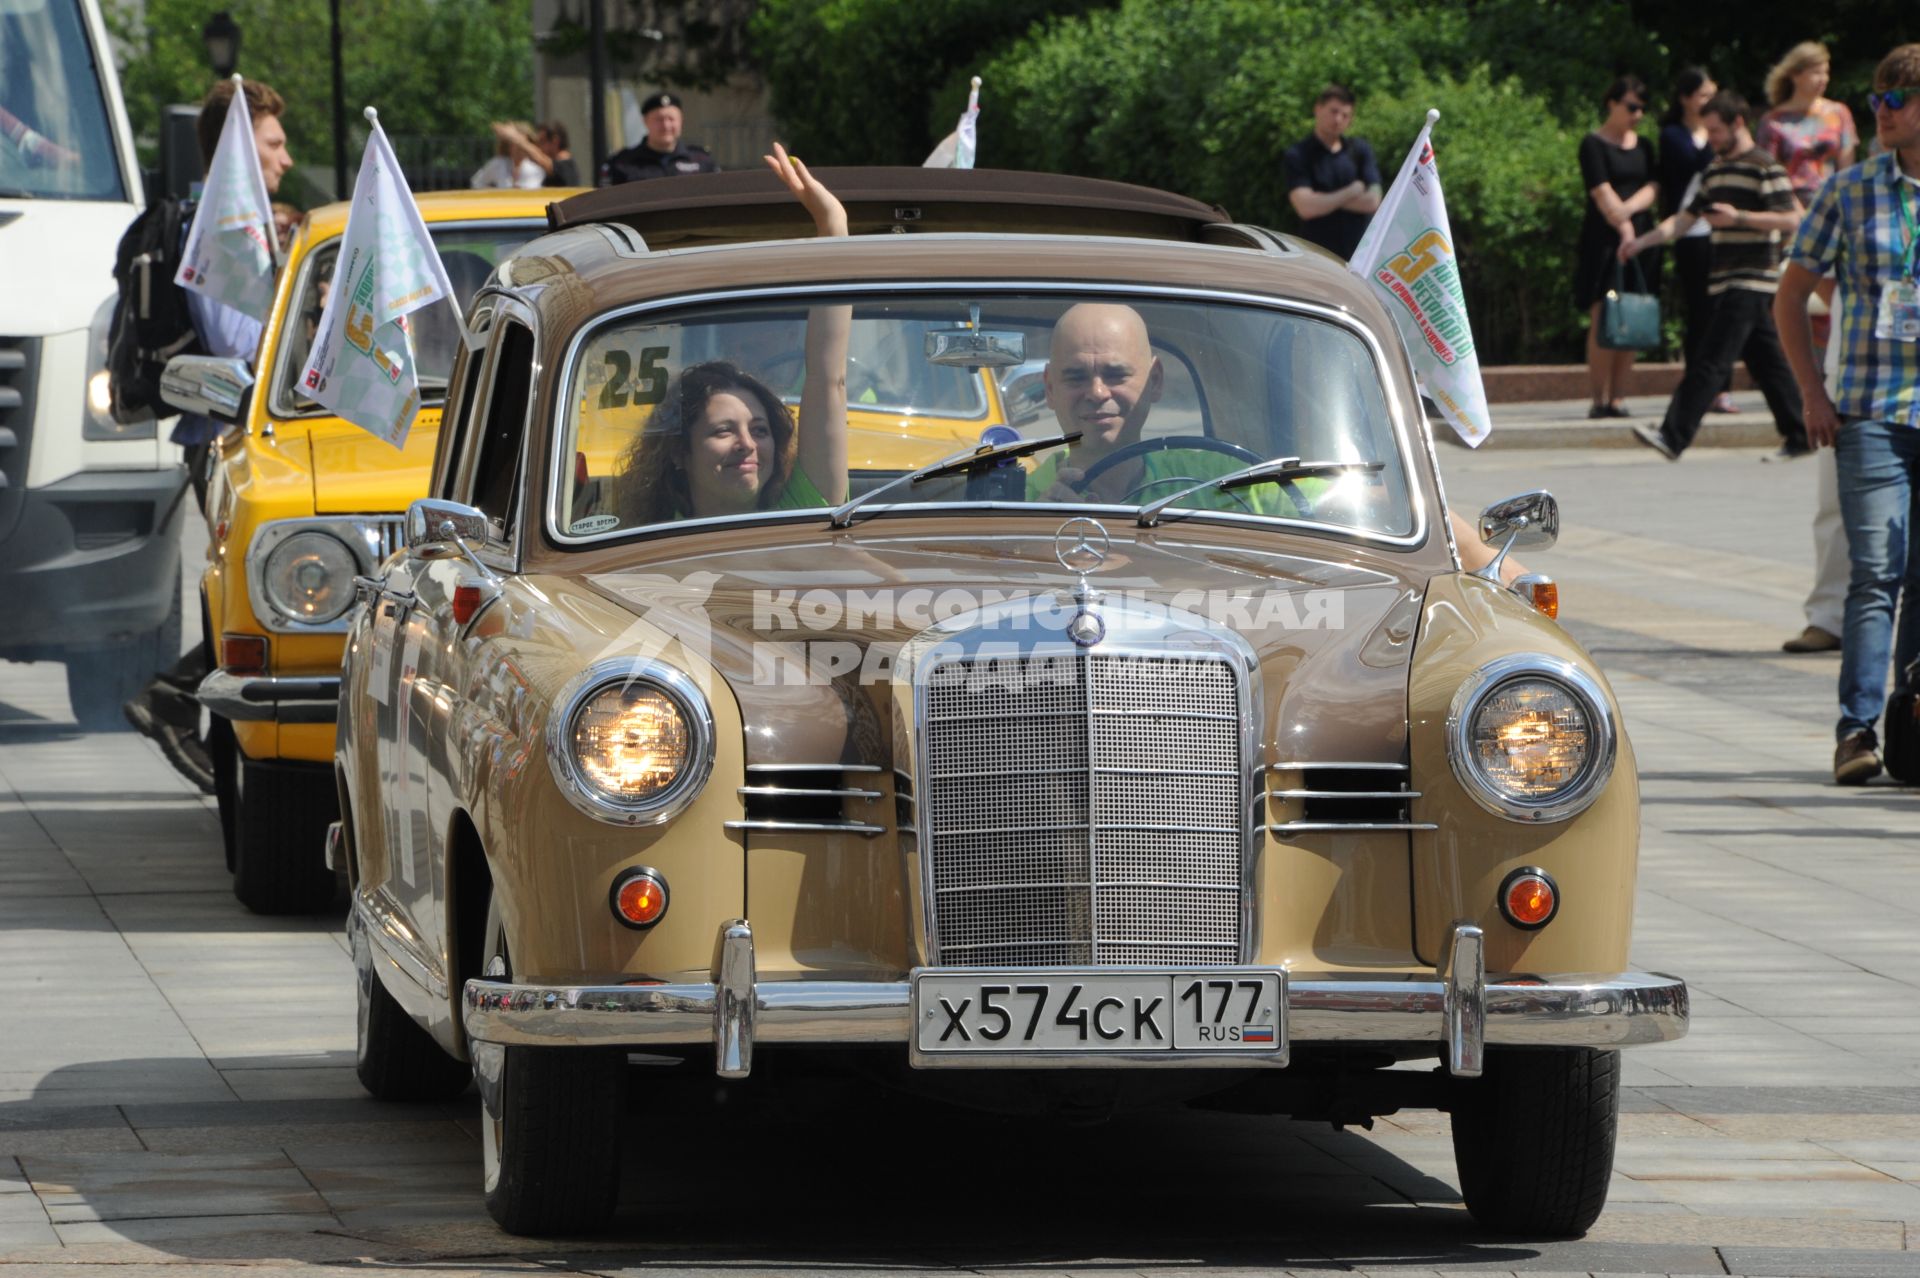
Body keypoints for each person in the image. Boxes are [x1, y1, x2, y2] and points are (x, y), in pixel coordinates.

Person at [125, 77, 292, 792]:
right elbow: (233, 349)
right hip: (224, 443)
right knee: (269, 596)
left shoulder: (237, 224)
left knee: (267, 596)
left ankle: (187, 708)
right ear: (239, 149)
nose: (286, 157)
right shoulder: (224, 230)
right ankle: (176, 697)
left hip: (231, 439)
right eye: (273, 143)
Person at [1774, 43, 1920, 784]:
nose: (1882, 114)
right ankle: (1855, 731)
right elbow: (1790, 295)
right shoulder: (1851, 191)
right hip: (1868, 413)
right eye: (1877, 101)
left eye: (1897, 100)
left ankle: (1911, 722)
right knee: (1875, 575)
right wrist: (1811, 393)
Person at [613, 144, 847, 524]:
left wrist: (834, 228)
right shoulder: (644, 536)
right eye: (723, 431)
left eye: (760, 429)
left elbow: (828, 379)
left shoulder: (801, 513)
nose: (748, 445)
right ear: (679, 452)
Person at [1621, 91, 1807, 462]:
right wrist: (1642, 242)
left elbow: (1792, 219)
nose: (1711, 139)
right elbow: (1685, 218)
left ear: (1738, 123)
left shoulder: (1764, 166)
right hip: (1725, 278)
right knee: (1767, 362)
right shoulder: (1715, 170)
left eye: (1716, 130)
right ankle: (1800, 433)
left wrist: (1739, 218)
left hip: (1753, 277)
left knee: (1711, 357)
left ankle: (1674, 435)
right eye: (1706, 131)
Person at [1575, 75, 1661, 420]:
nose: (1638, 113)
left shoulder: (1646, 146)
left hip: (1641, 238)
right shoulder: (1592, 144)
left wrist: (1629, 218)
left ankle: (1619, 398)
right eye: (1631, 106)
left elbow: (1654, 186)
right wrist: (1623, 225)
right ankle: (1598, 398)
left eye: (1642, 107)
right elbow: (1600, 190)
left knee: (1633, 313)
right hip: (1604, 239)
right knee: (1603, 316)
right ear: (1612, 103)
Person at [1660, 67, 1739, 416]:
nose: (1710, 101)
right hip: (1690, 232)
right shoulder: (1674, 134)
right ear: (1686, 99)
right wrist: (1714, 136)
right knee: (1700, 313)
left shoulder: (1720, 136)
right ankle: (1698, 387)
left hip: (1722, 231)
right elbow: (1697, 163)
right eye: (1703, 95)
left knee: (1726, 312)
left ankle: (1722, 388)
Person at [1283, 85, 1382, 261]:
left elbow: (1373, 201)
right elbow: (1306, 208)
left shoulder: (1360, 151)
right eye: (1333, 111)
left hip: (1359, 257)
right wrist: (1351, 192)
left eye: (1345, 115)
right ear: (1318, 109)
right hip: (1317, 257)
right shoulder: (1298, 154)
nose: (1337, 119)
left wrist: (1323, 200)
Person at [1758, 41, 1860, 205]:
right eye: (1816, 73)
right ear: (1795, 75)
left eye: (1826, 73)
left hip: (1833, 204)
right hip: (1790, 207)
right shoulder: (1773, 121)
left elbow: (1847, 168)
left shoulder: (1839, 113)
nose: (1824, 79)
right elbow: (1770, 173)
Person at [600, 92, 720, 185]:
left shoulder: (702, 161)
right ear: (645, 121)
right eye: (659, 120)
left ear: (681, 121)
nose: (666, 125)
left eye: (671, 119)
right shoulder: (622, 163)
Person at [490, 120, 580, 188]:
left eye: (541, 142)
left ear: (555, 141)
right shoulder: (557, 166)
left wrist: (515, 138)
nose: (538, 147)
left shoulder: (565, 165)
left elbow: (539, 158)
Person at [471, 120, 543, 189]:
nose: (519, 148)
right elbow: (477, 182)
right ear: (508, 145)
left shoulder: (536, 167)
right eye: (514, 143)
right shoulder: (499, 163)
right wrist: (495, 192)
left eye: (523, 144)